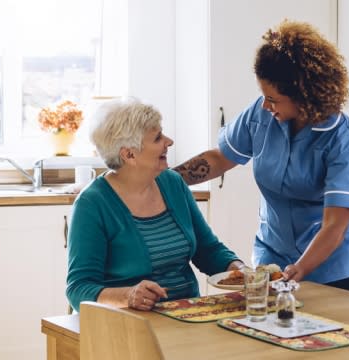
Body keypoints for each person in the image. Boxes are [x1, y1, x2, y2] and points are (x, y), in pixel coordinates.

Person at [173, 20, 349, 292]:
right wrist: (166, 179)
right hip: (273, 256)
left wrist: (301, 268)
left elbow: (335, 225)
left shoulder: (343, 140)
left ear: (303, 94)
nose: (266, 104)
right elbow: (220, 158)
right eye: (263, 95)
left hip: (331, 267)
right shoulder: (261, 113)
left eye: (273, 99)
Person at [66, 98, 245, 312]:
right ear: (129, 154)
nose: (169, 142)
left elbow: (207, 250)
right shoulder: (92, 203)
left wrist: (239, 269)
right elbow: (78, 288)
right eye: (158, 138)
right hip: (127, 324)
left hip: (187, 315)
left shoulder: (172, 183)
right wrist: (129, 295)